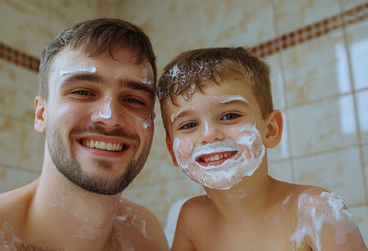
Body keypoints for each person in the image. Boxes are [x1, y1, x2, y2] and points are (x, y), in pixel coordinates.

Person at [0, 18, 169, 251]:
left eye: (134, 99)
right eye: (82, 92)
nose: (110, 116)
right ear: (41, 114)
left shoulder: (145, 232)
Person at [157, 47, 367, 251]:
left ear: (270, 130)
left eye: (229, 116)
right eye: (189, 125)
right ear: (173, 151)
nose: (209, 134)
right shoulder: (192, 219)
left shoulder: (317, 211)